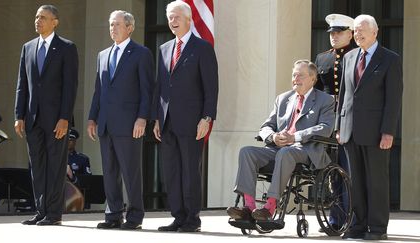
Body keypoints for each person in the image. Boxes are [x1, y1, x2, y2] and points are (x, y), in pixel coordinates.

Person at [226, 60, 335, 222]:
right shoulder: (283, 98)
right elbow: (265, 127)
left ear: (313, 79)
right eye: (294, 75)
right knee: (247, 152)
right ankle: (248, 207)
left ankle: (270, 206)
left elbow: (326, 128)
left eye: (300, 75)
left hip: (306, 150)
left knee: (286, 152)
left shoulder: (325, 100)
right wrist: (273, 137)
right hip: (278, 148)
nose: (295, 78)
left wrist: (295, 137)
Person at [152, 0, 218, 233]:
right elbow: (160, 87)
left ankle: (192, 219)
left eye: (177, 17)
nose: (172, 21)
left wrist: (207, 118)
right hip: (167, 122)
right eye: (170, 17)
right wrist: (157, 118)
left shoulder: (202, 48)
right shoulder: (164, 48)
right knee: (172, 172)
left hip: (193, 122)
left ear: (189, 19)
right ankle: (178, 217)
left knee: (190, 171)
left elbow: (211, 88)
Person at [337, 15, 403, 241]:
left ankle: (377, 227)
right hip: (350, 131)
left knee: (376, 181)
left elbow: (393, 100)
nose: (358, 35)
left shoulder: (389, 59)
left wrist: (389, 131)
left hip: (376, 132)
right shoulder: (349, 57)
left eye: (362, 30)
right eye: (355, 31)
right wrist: (339, 127)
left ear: (375, 32)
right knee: (354, 182)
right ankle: (357, 225)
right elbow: (344, 96)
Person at [88, 10, 154, 230]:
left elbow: (147, 90)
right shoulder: (103, 55)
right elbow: (99, 91)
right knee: (110, 173)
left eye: (117, 24)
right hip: (106, 123)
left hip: (130, 124)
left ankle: (135, 217)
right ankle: (113, 215)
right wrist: (92, 118)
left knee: (131, 173)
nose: (112, 28)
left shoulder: (141, 53)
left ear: (129, 27)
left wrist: (142, 118)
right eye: (110, 24)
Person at [14, 4, 78, 226]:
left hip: (56, 120)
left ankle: (54, 213)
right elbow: (22, 85)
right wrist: (18, 115)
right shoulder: (28, 47)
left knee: (55, 166)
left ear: (55, 22)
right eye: (36, 17)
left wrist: (65, 118)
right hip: (32, 119)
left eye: (43, 17)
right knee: (38, 166)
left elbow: (70, 87)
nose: (38, 20)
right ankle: (41, 211)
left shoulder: (67, 48)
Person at [314, 13, 354, 231]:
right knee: (331, 172)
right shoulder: (322, 58)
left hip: (350, 121)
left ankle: (352, 219)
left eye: (339, 33)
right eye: (332, 33)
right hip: (328, 121)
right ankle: (335, 218)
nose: (334, 37)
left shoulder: (357, 55)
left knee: (348, 171)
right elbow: (317, 91)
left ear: (350, 33)